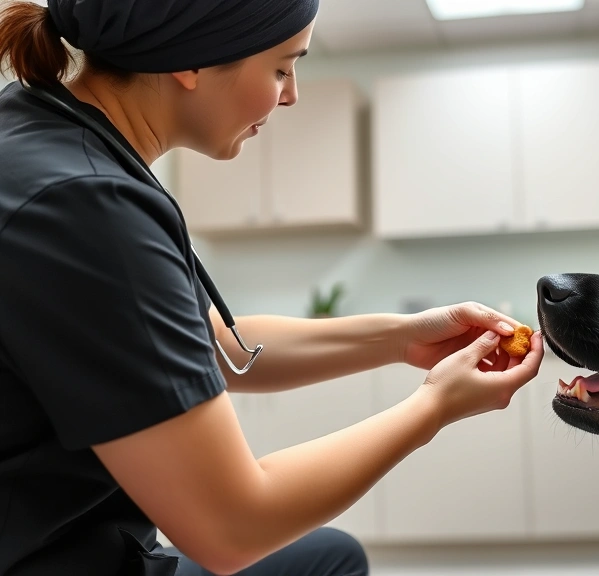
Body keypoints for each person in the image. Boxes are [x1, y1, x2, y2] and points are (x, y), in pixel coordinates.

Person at [0, 1, 545, 575]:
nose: (290, 96)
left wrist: (403, 338)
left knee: (330, 554)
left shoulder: (37, 132)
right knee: (326, 562)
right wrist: (435, 406)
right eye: (282, 68)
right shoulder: (86, 206)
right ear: (192, 61)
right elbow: (232, 527)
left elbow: (208, 344)